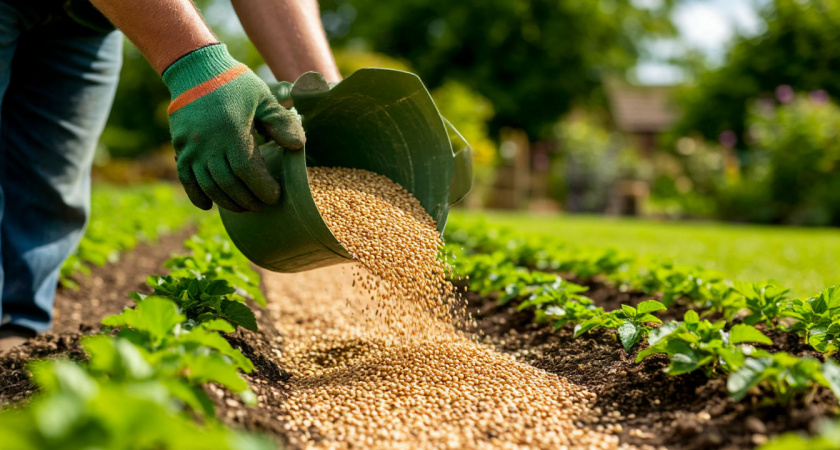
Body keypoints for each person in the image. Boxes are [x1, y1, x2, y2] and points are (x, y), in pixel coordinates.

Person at [0, 0, 341, 353]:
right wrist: (198, 67)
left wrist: (325, 99)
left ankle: (14, 334)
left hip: (88, 21)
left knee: (50, 190)